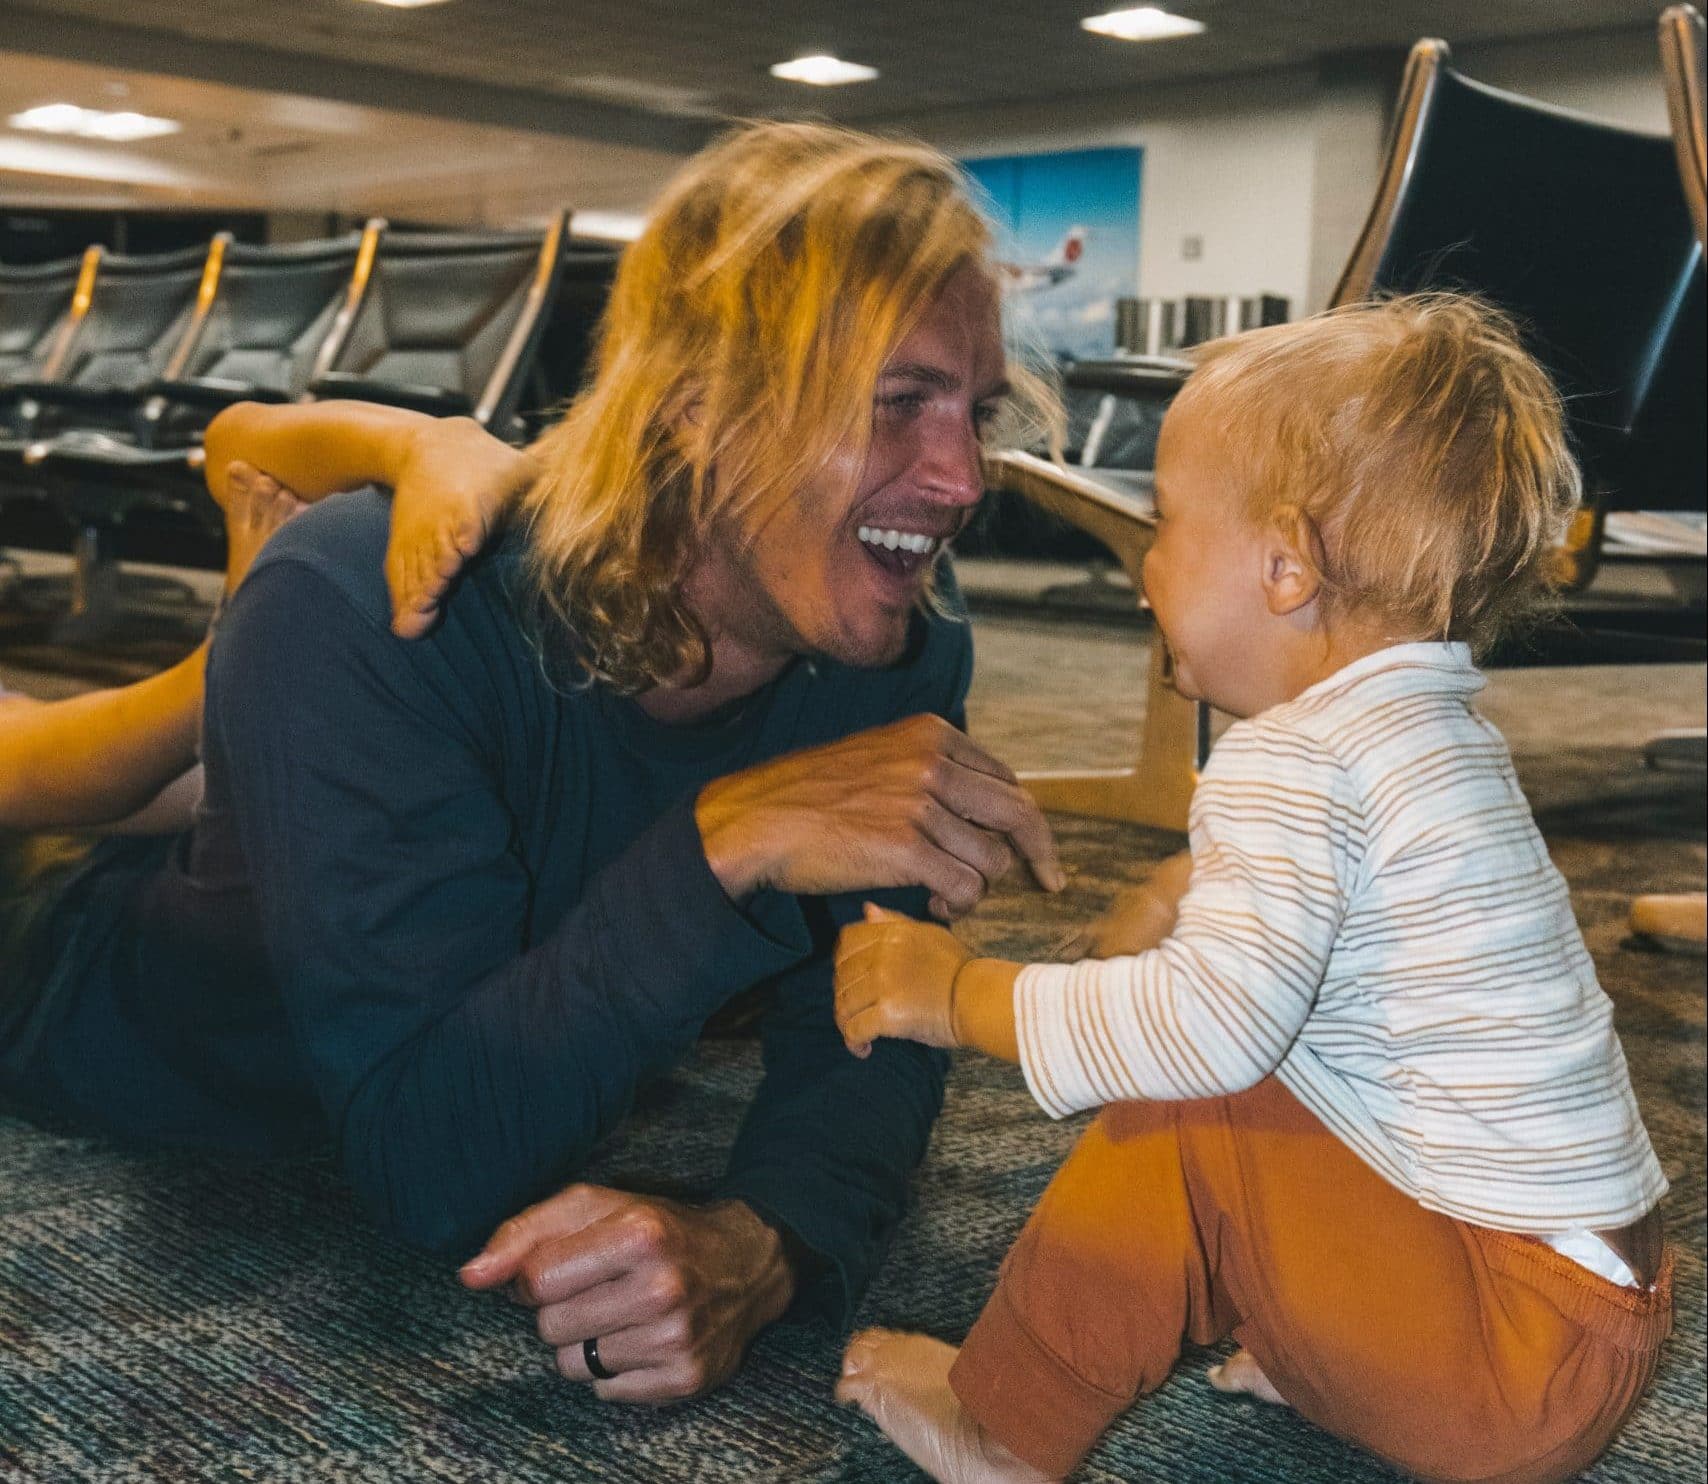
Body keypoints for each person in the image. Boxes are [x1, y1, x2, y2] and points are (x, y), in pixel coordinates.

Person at [0, 120, 1066, 1406]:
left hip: (361, 858)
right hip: (92, 1002)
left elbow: (875, 1014)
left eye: (977, 410)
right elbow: (428, 1162)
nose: (959, 478)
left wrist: (770, 1240)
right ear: (698, 405)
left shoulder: (898, 643)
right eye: (899, 402)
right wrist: (722, 838)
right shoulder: (378, 595)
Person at [828, 294, 1673, 1483]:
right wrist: (1187, 899)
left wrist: (956, 991)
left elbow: (1205, 1032)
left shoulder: (1294, 757)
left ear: (1283, 566)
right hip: (1583, 1319)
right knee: (1261, 1070)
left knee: (1190, 1109)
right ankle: (1330, 1350)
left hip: (1496, 1348)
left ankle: (1003, 1423)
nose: (1145, 567)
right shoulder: (1433, 732)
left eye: (1167, 523)